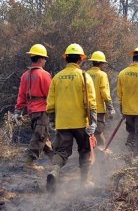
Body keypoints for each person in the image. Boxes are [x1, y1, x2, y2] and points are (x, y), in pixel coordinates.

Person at [46, 43, 97, 192]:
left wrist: (52, 120)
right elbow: (91, 102)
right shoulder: (84, 76)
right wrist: (93, 122)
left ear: (66, 59)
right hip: (81, 123)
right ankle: (84, 182)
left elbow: (50, 103)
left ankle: (54, 171)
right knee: (85, 150)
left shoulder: (57, 77)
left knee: (61, 152)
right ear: (80, 59)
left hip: (63, 122)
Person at [12, 44, 53, 170]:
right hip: (42, 110)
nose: (45, 61)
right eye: (45, 59)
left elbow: (21, 95)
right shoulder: (44, 75)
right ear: (40, 59)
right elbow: (51, 95)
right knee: (40, 135)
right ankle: (29, 162)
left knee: (42, 134)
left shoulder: (25, 75)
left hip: (32, 111)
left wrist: (18, 111)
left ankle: (54, 158)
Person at [87, 51, 115, 148]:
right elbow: (105, 93)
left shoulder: (85, 74)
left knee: (89, 133)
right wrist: (110, 108)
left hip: (86, 110)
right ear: (101, 63)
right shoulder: (102, 75)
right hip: (98, 110)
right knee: (98, 132)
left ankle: (89, 153)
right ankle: (101, 153)